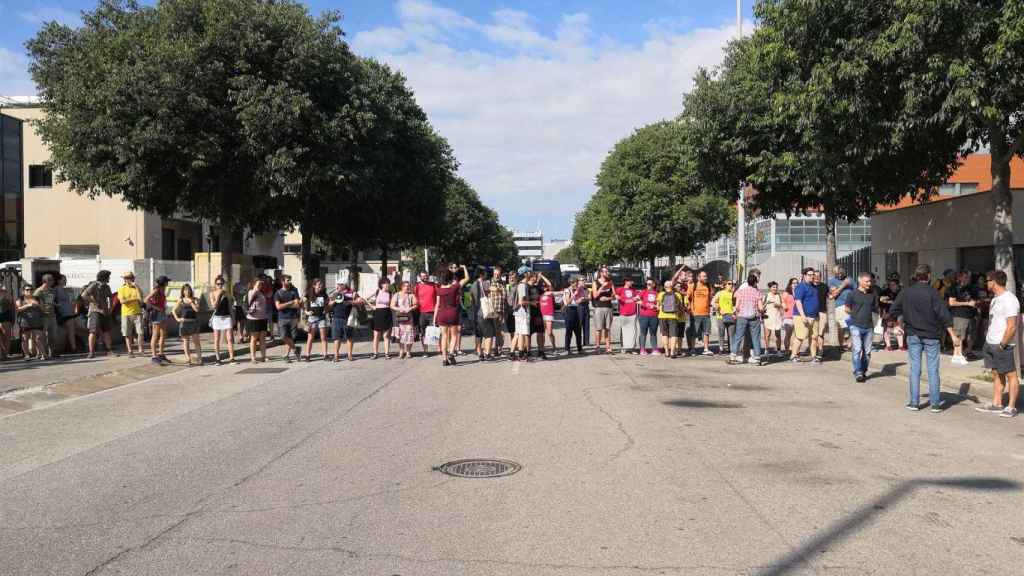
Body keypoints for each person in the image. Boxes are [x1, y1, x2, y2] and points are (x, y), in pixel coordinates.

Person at [888, 264, 958, 412]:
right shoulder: (933, 293)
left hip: (913, 335)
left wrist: (896, 325)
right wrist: (952, 335)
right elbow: (944, 315)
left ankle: (914, 402)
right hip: (932, 335)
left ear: (916, 276)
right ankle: (935, 404)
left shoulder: (906, 292)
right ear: (928, 276)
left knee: (915, 369)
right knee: (933, 370)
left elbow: (893, 310)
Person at [975, 270, 1020, 418]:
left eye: (987, 281)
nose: (985, 283)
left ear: (993, 282)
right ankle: (997, 403)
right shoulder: (995, 299)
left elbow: (1012, 326)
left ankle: (1011, 407)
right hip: (991, 342)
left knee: (1011, 375)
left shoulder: (1010, 300)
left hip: (1002, 344)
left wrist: (1002, 344)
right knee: (995, 373)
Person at [846, 272, 879, 382]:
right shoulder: (852, 294)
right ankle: (858, 372)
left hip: (869, 326)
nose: (869, 283)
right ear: (860, 281)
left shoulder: (873, 294)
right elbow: (847, 308)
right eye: (867, 281)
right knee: (857, 349)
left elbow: (875, 309)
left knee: (867, 352)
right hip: (855, 325)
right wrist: (854, 315)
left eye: (870, 281)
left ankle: (863, 370)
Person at [435, 265, 469, 366]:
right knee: (454, 335)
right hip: (453, 313)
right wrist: (464, 268)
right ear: (451, 278)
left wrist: (435, 317)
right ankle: (451, 353)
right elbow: (467, 278)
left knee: (444, 336)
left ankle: (444, 359)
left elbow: (437, 303)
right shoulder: (454, 287)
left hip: (442, 313)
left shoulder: (439, 289)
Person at [731, 274, 766, 365]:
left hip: (742, 317)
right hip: (754, 317)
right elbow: (760, 307)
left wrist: (735, 313)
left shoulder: (741, 291)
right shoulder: (757, 292)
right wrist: (763, 311)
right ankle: (757, 358)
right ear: (755, 282)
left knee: (738, 336)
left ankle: (733, 356)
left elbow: (737, 306)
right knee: (755, 337)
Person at [947, 270, 978, 364]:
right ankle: (957, 355)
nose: (968, 279)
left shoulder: (971, 288)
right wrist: (967, 303)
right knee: (959, 335)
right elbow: (951, 302)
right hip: (959, 315)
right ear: (959, 277)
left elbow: (975, 300)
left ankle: (967, 352)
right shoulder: (954, 288)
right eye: (965, 277)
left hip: (971, 315)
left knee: (970, 335)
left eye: (968, 277)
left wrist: (975, 304)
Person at [82, 270, 115, 359]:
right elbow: (84, 295)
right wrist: (94, 302)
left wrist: (110, 308)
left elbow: (110, 297)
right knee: (93, 331)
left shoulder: (107, 287)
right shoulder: (94, 285)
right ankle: (91, 352)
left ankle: (109, 350)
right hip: (95, 311)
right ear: (105, 277)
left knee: (106, 331)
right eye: (108, 277)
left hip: (104, 312)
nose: (109, 278)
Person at [791, 268, 821, 363]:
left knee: (814, 337)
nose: (812, 276)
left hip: (814, 316)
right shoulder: (801, 287)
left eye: (813, 275)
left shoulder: (813, 287)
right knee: (800, 336)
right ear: (804, 275)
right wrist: (803, 316)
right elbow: (798, 301)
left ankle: (813, 356)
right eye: (810, 274)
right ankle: (794, 355)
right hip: (801, 316)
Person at [329, 280, 362, 362]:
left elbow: (360, 301)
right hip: (337, 317)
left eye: (341, 284)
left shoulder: (352, 292)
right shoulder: (335, 293)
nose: (339, 286)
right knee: (337, 338)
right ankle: (336, 356)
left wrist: (350, 302)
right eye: (338, 284)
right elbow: (329, 304)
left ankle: (350, 355)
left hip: (348, 318)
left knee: (349, 337)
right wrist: (334, 298)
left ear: (345, 285)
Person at [208, 274, 237, 365]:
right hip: (217, 318)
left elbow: (230, 307)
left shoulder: (227, 293)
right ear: (215, 284)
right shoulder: (212, 293)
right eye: (218, 284)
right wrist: (219, 295)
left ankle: (232, 358)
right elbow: (214, 306)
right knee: (217, 339)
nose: (220, 285)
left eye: (221, 284)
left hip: (227, 317)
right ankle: (218, 359)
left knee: (229, 338)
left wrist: (233, 318)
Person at [273, 275, 302, 362]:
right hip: (282, 317)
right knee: (283, 336)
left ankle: (287, 355)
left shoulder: (294, 291)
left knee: (291, 337)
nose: (289, 282)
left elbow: (297, 304)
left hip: (293, 317)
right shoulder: (278, 293)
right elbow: (278, 307)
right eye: (287, 280)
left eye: (290, 280)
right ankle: (296, 349)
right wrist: (291, 302)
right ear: (282, 282)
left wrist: (285, 305)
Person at [117, 272, 145, 358]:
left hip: (137, 313)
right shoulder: (122, 289)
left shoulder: (136, 288)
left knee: (140, 332)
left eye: (129, 278)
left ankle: (141, 350)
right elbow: (122, 301)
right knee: (127, 333)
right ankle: (130, 351)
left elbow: (141, 298)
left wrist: (136, 286)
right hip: (126, 314)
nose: (127, 280)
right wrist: (134, 298)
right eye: (126, 278)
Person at [173, 283, 202, 366]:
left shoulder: (195, 299)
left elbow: (196, 310)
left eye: (188, 290)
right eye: (185, 290)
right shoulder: (181, 300)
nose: (187, 291)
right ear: (182, 291)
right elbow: (173, 310)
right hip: (184, 322)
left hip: (193, 322)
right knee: (186, 341)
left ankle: (200, 359)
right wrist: (177, 319)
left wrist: (191, 302)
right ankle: (188, 358)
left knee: (196, 341)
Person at [301, 278, 329, 362]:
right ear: (314, 286)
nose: (321, 286)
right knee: (310, 338)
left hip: (321, 318)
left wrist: (326, 309)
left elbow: (327, 303)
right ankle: (307, 355)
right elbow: (301, 303)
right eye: (319, 284)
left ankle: (325, 355)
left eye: (321, 284)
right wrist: (306, 312)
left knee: (323, 337)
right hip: (312, 318)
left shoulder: (324, 294)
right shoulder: (308, 294)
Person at [481, 269, 507, 360]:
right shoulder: (488, 282)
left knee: (499, 331)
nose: (496, 275)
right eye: (495, 274)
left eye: (498, 274)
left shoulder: (503, 283)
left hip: (501, 310)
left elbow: (505, 297)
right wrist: (493, 288)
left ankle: (498, 349)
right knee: (490, 330)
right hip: (491, 310)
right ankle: (487, 350)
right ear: (493, 274)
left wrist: (505, 311)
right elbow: (484, 290)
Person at [17, 286, 46, 360]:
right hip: (25, 322)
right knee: (25, 338)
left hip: (37, 322)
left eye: (31, 289)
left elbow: (43, 310)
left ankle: (44, 354)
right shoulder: (20, 299)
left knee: (38, 338)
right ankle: (27, 355)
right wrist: (28, 305)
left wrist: (38, 305)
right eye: (27, 290)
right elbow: (18, 309)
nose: (29, 291)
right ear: (23, 291)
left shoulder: (38, 299)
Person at [591, 267, 616, 354]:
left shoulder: (610, 282)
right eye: (605, 271)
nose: (607, 273)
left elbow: (614, 295)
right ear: (601, 273)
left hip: (608, 307)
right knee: (599, 328)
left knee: (607, 328)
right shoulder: (595, 282)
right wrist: (602, 286)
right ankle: (597, 347)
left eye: (608, 271)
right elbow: (594, 295)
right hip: (598, 307)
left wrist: (608, 298)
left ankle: (608, 347)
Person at [688, 270, 714, 355]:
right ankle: (692, 349)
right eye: (704, 276)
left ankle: (706, 349)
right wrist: (690, 309)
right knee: (694, 332)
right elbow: (687, 298)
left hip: (706, 314)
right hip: (696, 314)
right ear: (699, 277)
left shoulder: (708, 286)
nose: (706, 278)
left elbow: (710, 298)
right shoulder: (693, 286)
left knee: (706, 332)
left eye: (706, 276)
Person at [145, 275, 170, 363]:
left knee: (163, 334)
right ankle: (154, 356)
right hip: (156, 314)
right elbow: (146, 300)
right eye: (167, 281)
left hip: (162, 313)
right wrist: (157, 308)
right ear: (164, 282)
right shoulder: (156, 290)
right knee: (155, 334)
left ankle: (161, 353)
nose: (168, 283)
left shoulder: (162, 290)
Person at [391, 280, 418, 360]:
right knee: (400, 335)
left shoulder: (411, 295)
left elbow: (416, 304)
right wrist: (399, 309)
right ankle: (401, 351)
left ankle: (408, 351)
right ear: (402, 287)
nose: (408, 287)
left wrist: (410, 308)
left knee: (409, 334)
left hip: (409, 318)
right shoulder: (396, 295)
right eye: (406, 286)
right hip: (399, 317)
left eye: (408, 286)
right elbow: (392, 305)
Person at [32, 273, 57, 359]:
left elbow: (50, 301)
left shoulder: (52, 290)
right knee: (41, 336)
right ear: (46, 281)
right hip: (42, 316)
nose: (53, 281)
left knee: (53, 336)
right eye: (51, 280)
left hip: (52, 315)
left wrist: (55, 304)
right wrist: (42, 309)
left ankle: (51, 353)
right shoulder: (38, 291)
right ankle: (42, 353)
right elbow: (35, 303)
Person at [657, 279, 684, 359]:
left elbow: (658, 306)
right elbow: (680, 307)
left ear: (665, 287)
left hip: (662, 316)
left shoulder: (661, 294)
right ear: (672, 287)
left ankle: (666, 351)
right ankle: (672, 352)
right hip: (673, 316)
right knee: (674, 334)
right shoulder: (677, 295)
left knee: (664, 334)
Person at [415, 271, 439, 358]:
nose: (425, 277)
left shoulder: (434, 285)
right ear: (420, 277)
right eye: (423, 276)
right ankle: (425, 351)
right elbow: (414, 298)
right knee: (423, 332)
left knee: (435, 331)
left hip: (433, 312)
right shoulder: (417, 286)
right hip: (421, 312)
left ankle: (439, 349)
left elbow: (439, 296)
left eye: (426, 276)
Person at [829, 266, 852, 351]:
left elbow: (855, 290)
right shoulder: (832, 281)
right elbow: (833, 295)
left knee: (850, 326)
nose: (839, 275)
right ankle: (841, 345)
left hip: (851, 305)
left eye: (841, 273)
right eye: (837, 274)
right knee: (842, 326)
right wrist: (843, 285)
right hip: (840, 306)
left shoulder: (850, 279)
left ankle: (849, 345)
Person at [370, 277, 394, 360]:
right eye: (386, 283)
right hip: (377, 313)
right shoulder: (377, 291)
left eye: (388, 283)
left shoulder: (390, 293)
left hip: (387, 313)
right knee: (376, 335)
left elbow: (393, 304)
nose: (387, 285)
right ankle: (375, 353)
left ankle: (387, 353)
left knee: (386, 335)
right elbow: (367, 299)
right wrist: (372, 306)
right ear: (381, 284)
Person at [246, 277, 269, 363]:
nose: (260, 286)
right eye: (258, 284)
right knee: (254, 338)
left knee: (262, 338)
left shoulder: (261, 293)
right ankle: (253, 357)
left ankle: (263, 356)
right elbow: (249, 300)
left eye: (261, 284)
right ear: (254, 284)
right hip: (253, 318)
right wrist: (255, 289)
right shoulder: (251, 292)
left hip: (262, 318)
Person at [55, 275, 78, 355]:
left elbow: (72, 300)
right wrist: (57, 305)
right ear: (58, 281)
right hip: (62, 313)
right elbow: (52, 300)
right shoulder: (56, 290)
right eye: (63, 280)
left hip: (69, 312)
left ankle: (72, 347)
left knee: (70, 331)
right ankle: (70, 348)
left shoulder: (67, 289)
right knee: (67, 332)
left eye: (66, 280)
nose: (65, 281)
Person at [616, 277, 641, 354]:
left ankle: (632, 348)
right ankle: (623, 347)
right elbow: (615, 295)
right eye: (630, 281)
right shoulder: (620, 289)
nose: (632, 283)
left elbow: (639, 296)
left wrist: (637, 297)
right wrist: (617, 297)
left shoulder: (633, 290)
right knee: (623, 331)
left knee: (633, 331)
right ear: (626, 281)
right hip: (623, 313)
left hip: (633, 313)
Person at [563, 276, 586, 355]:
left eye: (576, 282)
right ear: (571, 283)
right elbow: (567, 302)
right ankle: (567, 349)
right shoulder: (567, 290)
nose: (576, 284)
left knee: (578, 331)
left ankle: (580, 349)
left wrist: (580, 299)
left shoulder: (577, 290)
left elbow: (577, 301)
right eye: (574, 283)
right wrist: (573, 295)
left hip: (576, 310)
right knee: (569, 330)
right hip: (569, 310)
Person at [879, 278, 905, 351]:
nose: (891, 286)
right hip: (887, 312)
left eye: (893, 285)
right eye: (890, 285)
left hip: (898, 313)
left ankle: (901, 345)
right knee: (887, 329)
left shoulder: (901, 292)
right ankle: (888, 345)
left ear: (897, 285)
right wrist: (883, 312)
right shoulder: (885, 292)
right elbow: (880, 302)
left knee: (899, 328)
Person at [712, 280, 735, 356]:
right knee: (721, 333)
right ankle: (721, 348)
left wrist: (735, 313)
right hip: (721, 316)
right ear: (725, 285)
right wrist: (719, 309)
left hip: (731, 315)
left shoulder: (733, 294)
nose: (731, 285)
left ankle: (731, 349)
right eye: (729, 284)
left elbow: (736, 304)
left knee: (731, 334)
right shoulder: (720, 293)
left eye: (732, 284)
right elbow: (714, 302)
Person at [638, 278, 660, 356]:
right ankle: (642, 349)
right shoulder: (643, 292)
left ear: (654, 285)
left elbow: (659, 305)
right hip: (644, 316)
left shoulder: (657, 293)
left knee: (653, 333)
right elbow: (637, 300)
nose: (648, 285)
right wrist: (645, 304)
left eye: (650, 284)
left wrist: (655, 306)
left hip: (654, 316)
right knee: (643, 333)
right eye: (647, 284)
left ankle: (654, 349)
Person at [538, 273, 558, 356]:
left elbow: (549, 283)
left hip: (549, 314)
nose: (544, 287)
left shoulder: (550, 292)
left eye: (545, 286)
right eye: (543, 286)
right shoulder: (539, 293)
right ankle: (541, 349)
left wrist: (541, 276)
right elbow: (535, 284)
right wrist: (538, 279)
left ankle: (554, 347)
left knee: (549, 332)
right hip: (541, 315)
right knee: (541, 333)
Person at [763, 281, 784, 356]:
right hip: (768, 317)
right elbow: (761, 307)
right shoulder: (766, 295)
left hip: (777, 317)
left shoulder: (779, 295)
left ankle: (778, 350)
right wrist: (767, 303)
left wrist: (779, 306)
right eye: (773, 287)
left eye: (776, 287)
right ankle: (766, 349)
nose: (775, 289)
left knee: (778, 335)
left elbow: (782, 306)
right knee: (767, 334)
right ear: (770, 288)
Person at [812, 270, 829, 354]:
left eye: (819, 276)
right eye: (815, 275)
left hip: (822, 312)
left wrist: (835, 292)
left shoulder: (824, 286)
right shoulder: (809, 286)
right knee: (812, 333)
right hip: (811, 313)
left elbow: (830, 296)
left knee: (821, 332)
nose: (817, 277)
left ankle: (820, 350)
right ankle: (812, 350)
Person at [232, 276, 249, 344]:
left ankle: (246, 335)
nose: (245, 278)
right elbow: (235, 294)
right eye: (243, 277)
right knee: (240, 321)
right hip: (239, 305)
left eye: (246, 277)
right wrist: (242, 293)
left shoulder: (249, 284)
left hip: (246, 305)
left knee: (246, 321)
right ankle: (240, 337)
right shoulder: (237, 285)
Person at [0, 285, 13, 361]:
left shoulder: (6, 293)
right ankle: (1, 355)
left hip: (5, 317)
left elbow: (11, 305)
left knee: (7, 337)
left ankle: (5, 354)